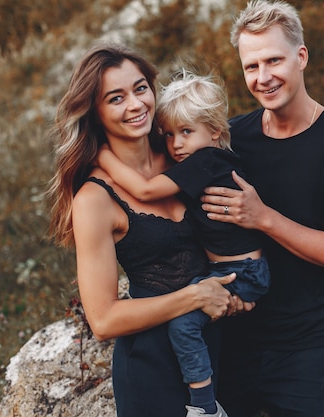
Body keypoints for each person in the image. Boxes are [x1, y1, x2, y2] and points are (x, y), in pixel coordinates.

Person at [46, 44, 241, 417]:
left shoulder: (182, 150)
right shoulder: (94, 199)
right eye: (116, 98)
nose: (135, 105)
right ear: (96, 112)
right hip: (152, 373)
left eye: (140, 89)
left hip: (222, 353)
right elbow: (103, 321)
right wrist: (195, 296)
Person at [200, 1, 324, 416]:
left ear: (301, 57)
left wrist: (263, 217)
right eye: (250, 67)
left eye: (273, 61)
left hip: (307, 352)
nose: (263, 78)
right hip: (235, 339)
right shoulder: (233, 138)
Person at [97, 70, 270, 417]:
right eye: (170, 134)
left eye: (186, 133)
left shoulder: (202, 161)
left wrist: (102, 156)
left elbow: (146, 190)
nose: (176, 144)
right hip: (154, 358)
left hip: (232, 281)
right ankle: (205, 404)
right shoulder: (197, 159)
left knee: (184, 326)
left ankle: (204, 405)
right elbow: (101, 319)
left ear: (214, 132)